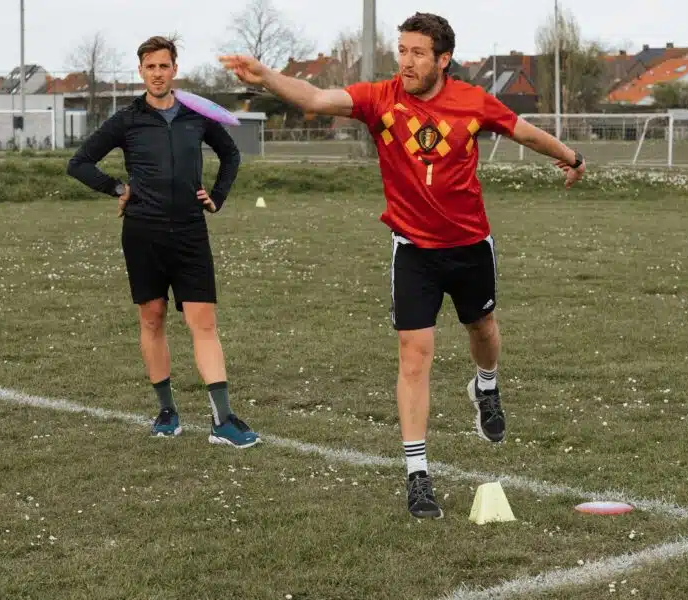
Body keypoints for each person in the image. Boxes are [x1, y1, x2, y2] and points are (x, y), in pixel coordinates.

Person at [220, 12, 585, 516]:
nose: (407, 62)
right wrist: (266, 77)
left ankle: (486, 385)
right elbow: (316, 99)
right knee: (414, 357)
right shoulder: (380, 99)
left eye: (418, 53)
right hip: (413, 250)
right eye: (403, 51)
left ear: (443, 59)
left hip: (470, 245)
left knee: (483, 329)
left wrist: (572, 157)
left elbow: (524, 133)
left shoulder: (472, 102)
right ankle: (418, 475)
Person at [67, 35, 260, 449]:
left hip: (190, 231)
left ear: (175, 69)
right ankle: (167, 412)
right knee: (152, 320)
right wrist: (118, 188)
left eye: (164, 66)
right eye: (150, 67)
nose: (157, 73)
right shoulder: (127, 120)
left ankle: (223, 420)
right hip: (144, 234)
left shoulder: (196, 116)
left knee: (203, 323)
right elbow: (79, 163)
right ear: (141, 71)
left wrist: (217, 196)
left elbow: (231, 155)